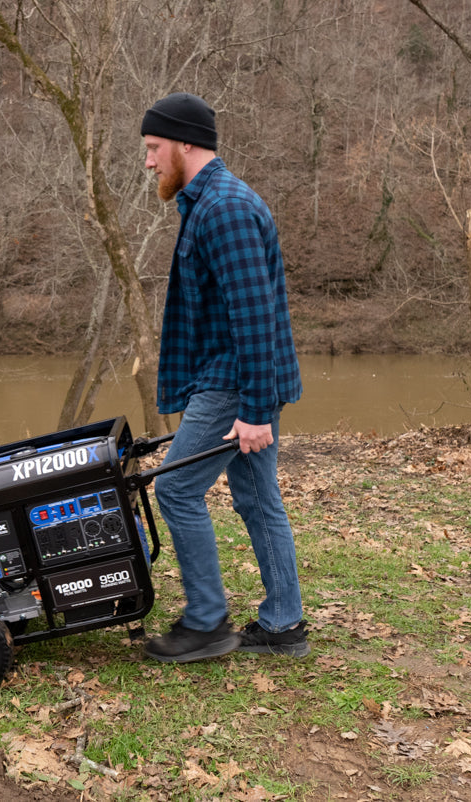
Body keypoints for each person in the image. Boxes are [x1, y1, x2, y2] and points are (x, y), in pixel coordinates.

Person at [139, 92, 309, 663]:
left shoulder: (226, 210)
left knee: (175, 488)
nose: (149, 161)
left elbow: (255, 317)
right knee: (258, 499)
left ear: (186, 143)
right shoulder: (208, 202)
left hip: (235, 381)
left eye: (154, 148)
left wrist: (255, 409)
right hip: (236, 377)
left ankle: (207, 622)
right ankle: (284, 625)